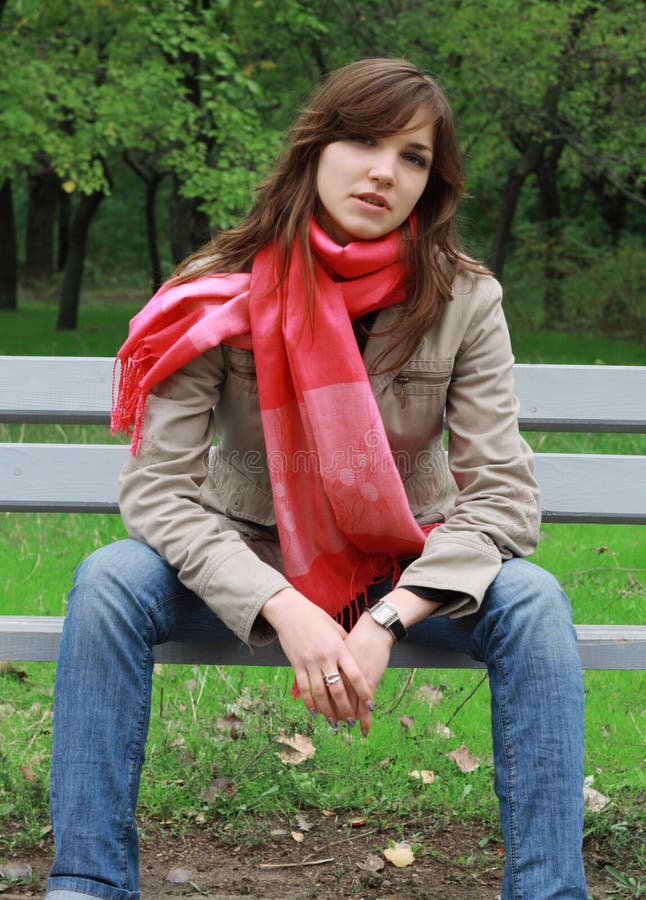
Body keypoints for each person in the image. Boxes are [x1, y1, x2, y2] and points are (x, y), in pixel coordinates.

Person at [45, 57, 587, 899]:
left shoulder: (463, 300)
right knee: (109, 580)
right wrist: (280, 601)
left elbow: (504, 497)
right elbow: (157, 491)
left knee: (537, 602)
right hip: (247, 562)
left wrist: (386, 620)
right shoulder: (216, 290)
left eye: (412, 156)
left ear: (430, 184)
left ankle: (552, 892)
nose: (384, 170)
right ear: (314, 147)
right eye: (364, 139)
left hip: (412, 568)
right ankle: (85, 885)